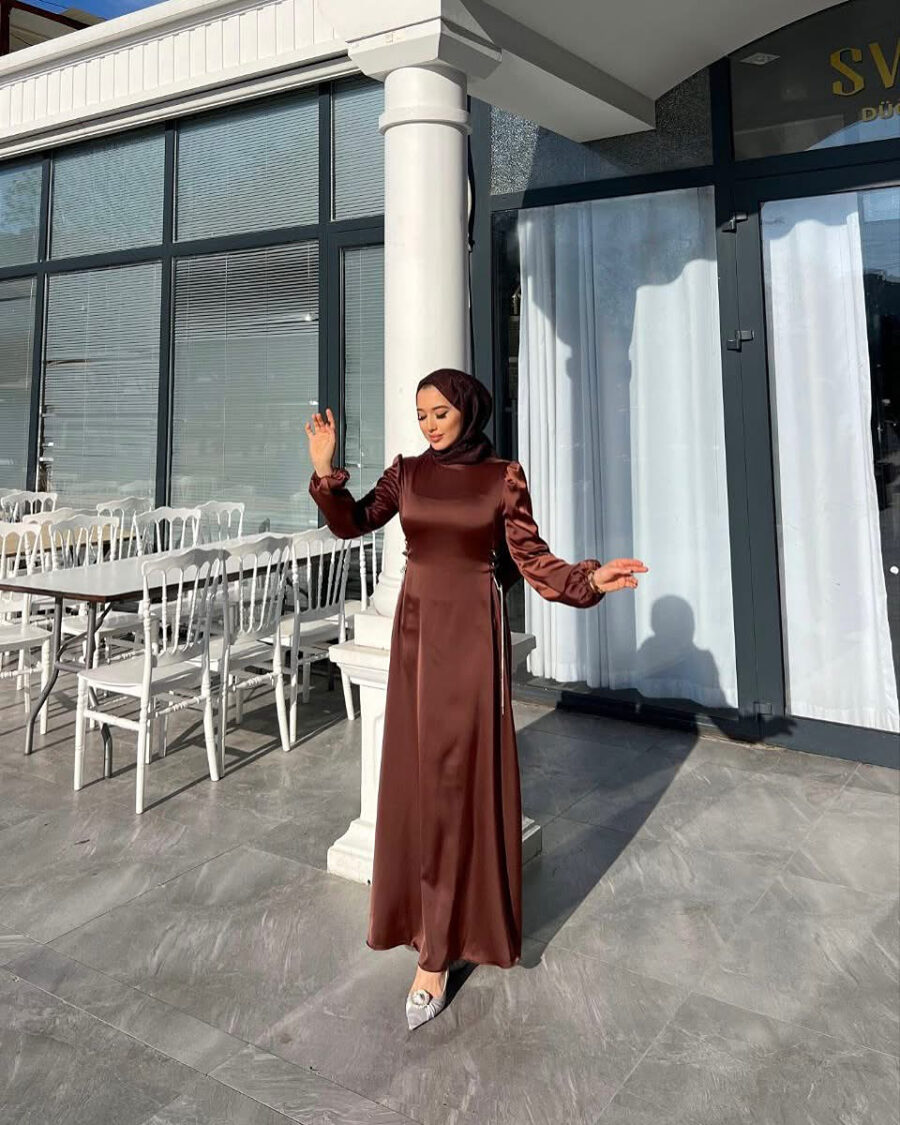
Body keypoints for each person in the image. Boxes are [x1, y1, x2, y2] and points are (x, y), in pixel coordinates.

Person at [305, 367, 647, 1030]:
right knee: (421, 783)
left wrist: (589, 579)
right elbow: (352, 523)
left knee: (457, 783)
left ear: (467, 410)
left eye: (440, 412)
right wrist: (324, 473)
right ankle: (428, 929)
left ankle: (440, 949)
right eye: (421, 414)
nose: (430, 424)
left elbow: (533, 561)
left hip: (470, 640)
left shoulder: (501, 478)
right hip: (416, 635)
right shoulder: (407, 474)